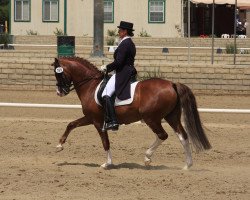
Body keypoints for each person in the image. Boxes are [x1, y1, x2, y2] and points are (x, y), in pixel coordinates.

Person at [100, 21, 137, 131]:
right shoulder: (129, 42)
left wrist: (107, 67)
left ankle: (113, 121)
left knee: (105, 94)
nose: (118, 32)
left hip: (123, 72)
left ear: (125, 31)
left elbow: (119, 62)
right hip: (128, 70)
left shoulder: (125, 44)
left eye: (120, 30)